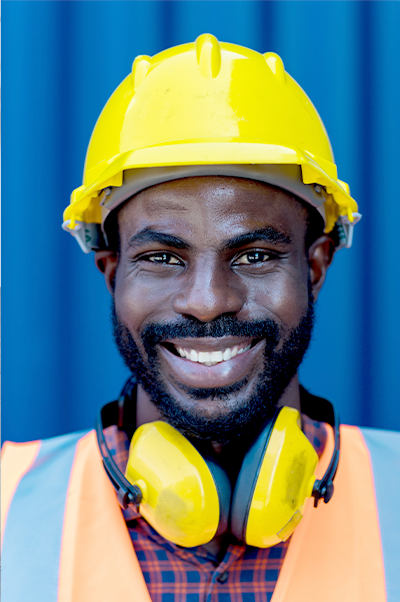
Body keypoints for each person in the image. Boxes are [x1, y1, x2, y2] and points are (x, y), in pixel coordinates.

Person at [2, 34, 399, 602]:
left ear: (315, 266)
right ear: (111, 271)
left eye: (255, 255)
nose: (209, 300)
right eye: (162, 258)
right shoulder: (6, 506)